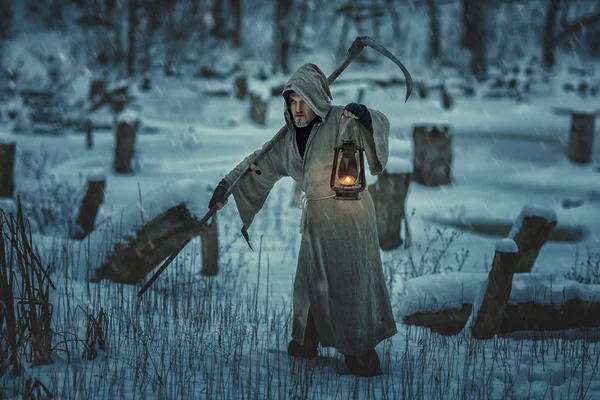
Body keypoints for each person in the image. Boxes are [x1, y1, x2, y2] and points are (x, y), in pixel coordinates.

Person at [209, 63, 397, 377]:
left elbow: (379, 124)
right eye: (292, 103)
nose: (297, 110)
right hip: (317, 221)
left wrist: (364, 115)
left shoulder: (340, 120)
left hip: (350, 217)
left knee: (350, 283)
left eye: (303, 102)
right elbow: (258, 164)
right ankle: (308, 339)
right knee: (312, 281)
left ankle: (360, 351)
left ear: (317, 101)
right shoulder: (287, 140)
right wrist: (225, 186)